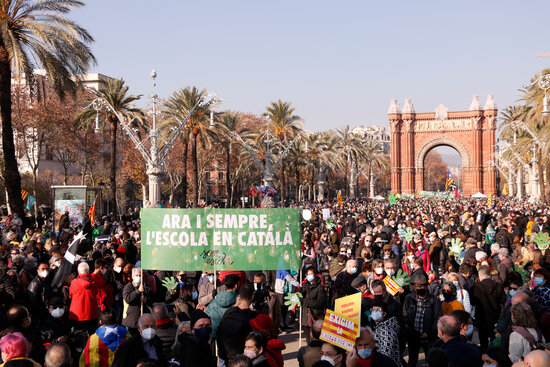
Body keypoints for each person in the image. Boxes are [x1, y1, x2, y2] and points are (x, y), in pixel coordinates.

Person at [403, 274, 442, 367]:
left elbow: (438, 318)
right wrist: (407, 324)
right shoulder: (409, 298)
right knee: (412, 360)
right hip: (413, 336)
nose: (419, 288)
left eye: (421, 286)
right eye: (417, 286)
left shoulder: (434, 300)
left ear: (426, 286)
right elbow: (405, 312)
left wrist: (429, 333)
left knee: (430, 361)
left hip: (429, 337)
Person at [217, 284, 258, 362]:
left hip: (227, 357)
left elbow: (219, 332)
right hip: (244, 360)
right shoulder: (253, 316)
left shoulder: (229, 312)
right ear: (252, 296)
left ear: (239, 296)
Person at [471, 265, 506, 350]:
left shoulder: (476, 287)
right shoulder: (498, 286)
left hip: (481, 317)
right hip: (495, 317)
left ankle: (484, 357)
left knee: (483, 342)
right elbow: (503, 300)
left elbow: (473, 302)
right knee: (495, 340)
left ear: (480, 275)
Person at [69, 262, 98, 335]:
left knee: (79, 337)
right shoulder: (94, 282)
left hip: (77, 316)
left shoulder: (74, 283)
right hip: (91, 314)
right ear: (88, 271)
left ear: (78, 272)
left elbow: (70, 296)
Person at [206, 273, 239, 338]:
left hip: (217, 339)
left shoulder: (212, 304)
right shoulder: (240, 303)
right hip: (234, 340)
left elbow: (207, 318)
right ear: (236, 285)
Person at [369, 298, 400, 366]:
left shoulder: (386, 330)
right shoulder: (376, 327)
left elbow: (385, 354)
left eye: (378, 310)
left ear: (384, 313)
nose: (374, 312)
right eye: (373, 310)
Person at [301, 266, 327, 343]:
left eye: (311, 274)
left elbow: (319, 303)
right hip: (305, 318)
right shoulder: (305, 286)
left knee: (315, 340)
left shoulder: (320, 288)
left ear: (315, 274)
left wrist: (305, 301)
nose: (309, 276)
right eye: (307, 274)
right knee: (308, 340)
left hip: (315, 317)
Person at [122, 267, 151, 335]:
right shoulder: (128, 287)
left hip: (143, 321)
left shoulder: (145, 287)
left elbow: (151, 301)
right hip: (131, 321)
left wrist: (145, 299)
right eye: (136, 275)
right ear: (132, 276)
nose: (138, 277)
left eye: (140, 275)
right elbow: (128, 299)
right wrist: (137, 291)